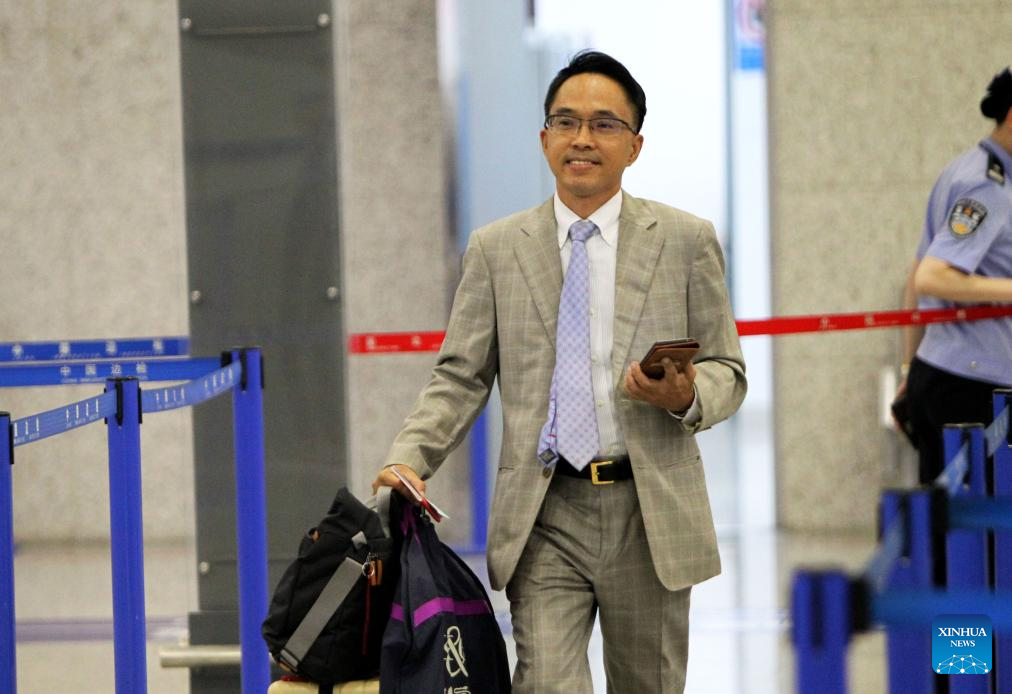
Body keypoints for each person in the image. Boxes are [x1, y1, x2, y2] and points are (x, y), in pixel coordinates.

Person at [373, 50, 746, 693]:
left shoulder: (685, 240)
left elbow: (727, 369)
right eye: (566, 121)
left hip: (648, 511)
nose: (582, 139)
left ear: (635, 146)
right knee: (546, 682)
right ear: (544, 138)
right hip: (544, 508)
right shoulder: (496, 249)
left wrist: (686, 394)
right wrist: (410, 457)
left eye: (604, 124)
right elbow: (460, 375)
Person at [899, 66, 1012, 485]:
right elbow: (932, 277)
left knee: (944, 515)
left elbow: (915, 269)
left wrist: (909, 366)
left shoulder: (963, 169)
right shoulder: (988, 187)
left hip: (943, 373)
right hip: (971, 387)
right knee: (971, 522)